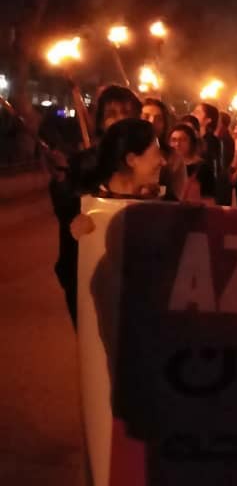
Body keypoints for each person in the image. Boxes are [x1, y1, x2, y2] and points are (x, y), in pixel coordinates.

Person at [51, 85, 142, 327]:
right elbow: (66, 211)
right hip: (88, 267)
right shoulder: (84, 163)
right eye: (112, 114)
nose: (119, 120)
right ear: (101, 121)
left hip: (135, 271)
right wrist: (61, 181)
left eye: (126, 113)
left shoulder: (150, 161)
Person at [142, 98, 186, 201]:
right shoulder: (123, 151)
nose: (151, 122)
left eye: (158, 119)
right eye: (146, 117)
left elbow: (176, 198)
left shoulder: (174, 159)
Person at [191, 103, 226, 205]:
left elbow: (212, 167)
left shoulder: (211, 141)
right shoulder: (194, 138)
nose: (193, 114)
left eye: (197, 112)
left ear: (208, 120)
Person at [169, 123, 214, 203]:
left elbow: (209, 199)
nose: (177, 144)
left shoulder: (203, 168)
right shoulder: (166, 166)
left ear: (191, 143)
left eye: (183, 140)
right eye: (174, 140)